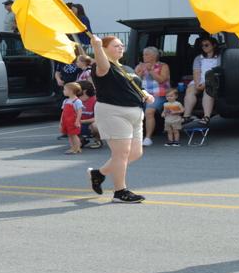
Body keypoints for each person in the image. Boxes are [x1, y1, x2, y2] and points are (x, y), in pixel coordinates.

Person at [86, 35, 149, 204]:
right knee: (121, 154)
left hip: (135, 113)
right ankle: (120, 192)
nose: (120, 48)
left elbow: (135, 87)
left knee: (136, 153)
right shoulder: (101, 66)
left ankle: (99, 174)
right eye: (115, 46)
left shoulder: (125, 67)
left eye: (121, 45)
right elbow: (102, 63)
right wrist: (97, 47)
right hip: (113, 112)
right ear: (105, 48)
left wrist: (146, 94)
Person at [134, 46, 172, 147]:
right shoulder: (140, 66)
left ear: (154, 56)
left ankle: (148, 138)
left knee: (149, 111)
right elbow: (134, 82)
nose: (144, 56)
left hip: (159, 94)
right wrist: (140, 74)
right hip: (143, 94)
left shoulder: (163, 66)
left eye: (147, 54)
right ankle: (134, 136)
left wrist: (151, 71)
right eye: (143, 54)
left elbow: (162, 80)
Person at [189, 36, 220, 123]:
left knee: (208, 91)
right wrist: (197, 83)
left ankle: (206, 117)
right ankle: (187, 115)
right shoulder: (198, 58)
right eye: (202, 46)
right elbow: (196, 71)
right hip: (200, 79)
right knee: (190, 90)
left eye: (206, 45)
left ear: (213, 45)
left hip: (213, 80)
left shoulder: (219, 57)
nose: (204, 47)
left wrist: (206, 83)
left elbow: (218, 72)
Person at [60, 81, 87, 154]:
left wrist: (77, 121)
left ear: (71, 91)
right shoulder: (65, 101)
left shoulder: (77, 101)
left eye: (65, 89)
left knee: (74, 135)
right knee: (69, 135)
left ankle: (77, 148)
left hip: (73, 121)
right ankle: (72, 147)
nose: (63, 91)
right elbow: (63, 112)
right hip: (66, 121)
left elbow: (79, 112)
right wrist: (61, 121)